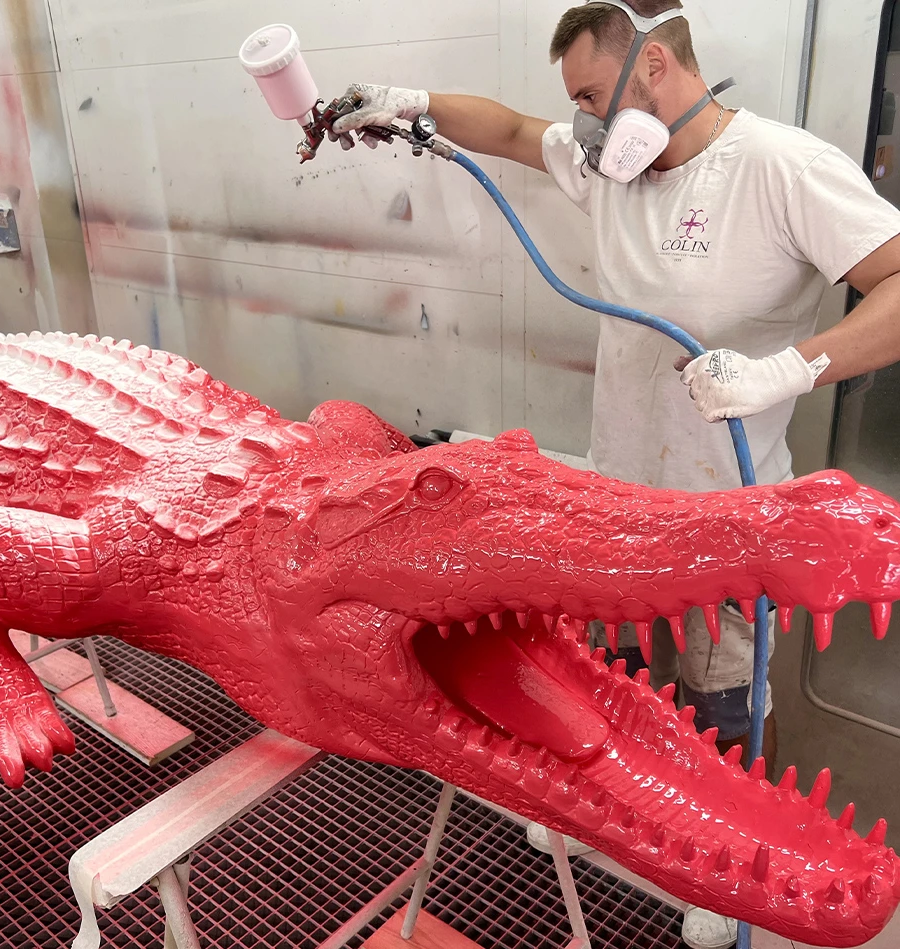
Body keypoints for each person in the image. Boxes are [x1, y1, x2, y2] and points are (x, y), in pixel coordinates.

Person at [333, 1, 900, 946]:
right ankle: (618, 823)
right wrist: (411, 101)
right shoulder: (614, 169)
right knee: (615, 681)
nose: (585, 122)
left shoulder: (780, 167)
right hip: (618, 504)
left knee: (723, 698)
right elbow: (510, 131)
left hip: (726, 511)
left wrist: (790, 369)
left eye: (594, 95)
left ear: (655, 67)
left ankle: (727, 870)